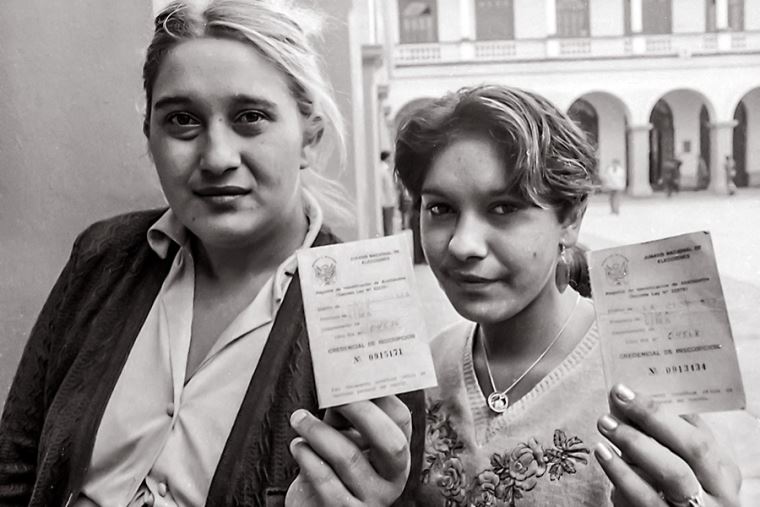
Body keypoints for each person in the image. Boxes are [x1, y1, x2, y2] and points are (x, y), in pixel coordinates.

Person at [0, 2, 424, 506]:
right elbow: (15, 468)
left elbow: (388, 475)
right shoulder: (100, 258)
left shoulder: (365, 307)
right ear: (150, 135)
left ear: (310, 137)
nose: (218, 158)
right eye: (182, 120)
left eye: (251, 117)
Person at [394, 85, 741, 506]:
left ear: (571, 218)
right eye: (440, 209)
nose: (463, 244)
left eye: (503, 208)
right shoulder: (426, 371)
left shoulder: (645, 380)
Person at [379, 150, 399, 235]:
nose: (392, 159)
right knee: (388, 225)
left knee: (388, 225)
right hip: (387, 201)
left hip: (387, 200)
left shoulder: (384, 169)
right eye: (390, 157)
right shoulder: (384, 169)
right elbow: (388, 187)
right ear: (387, 158)